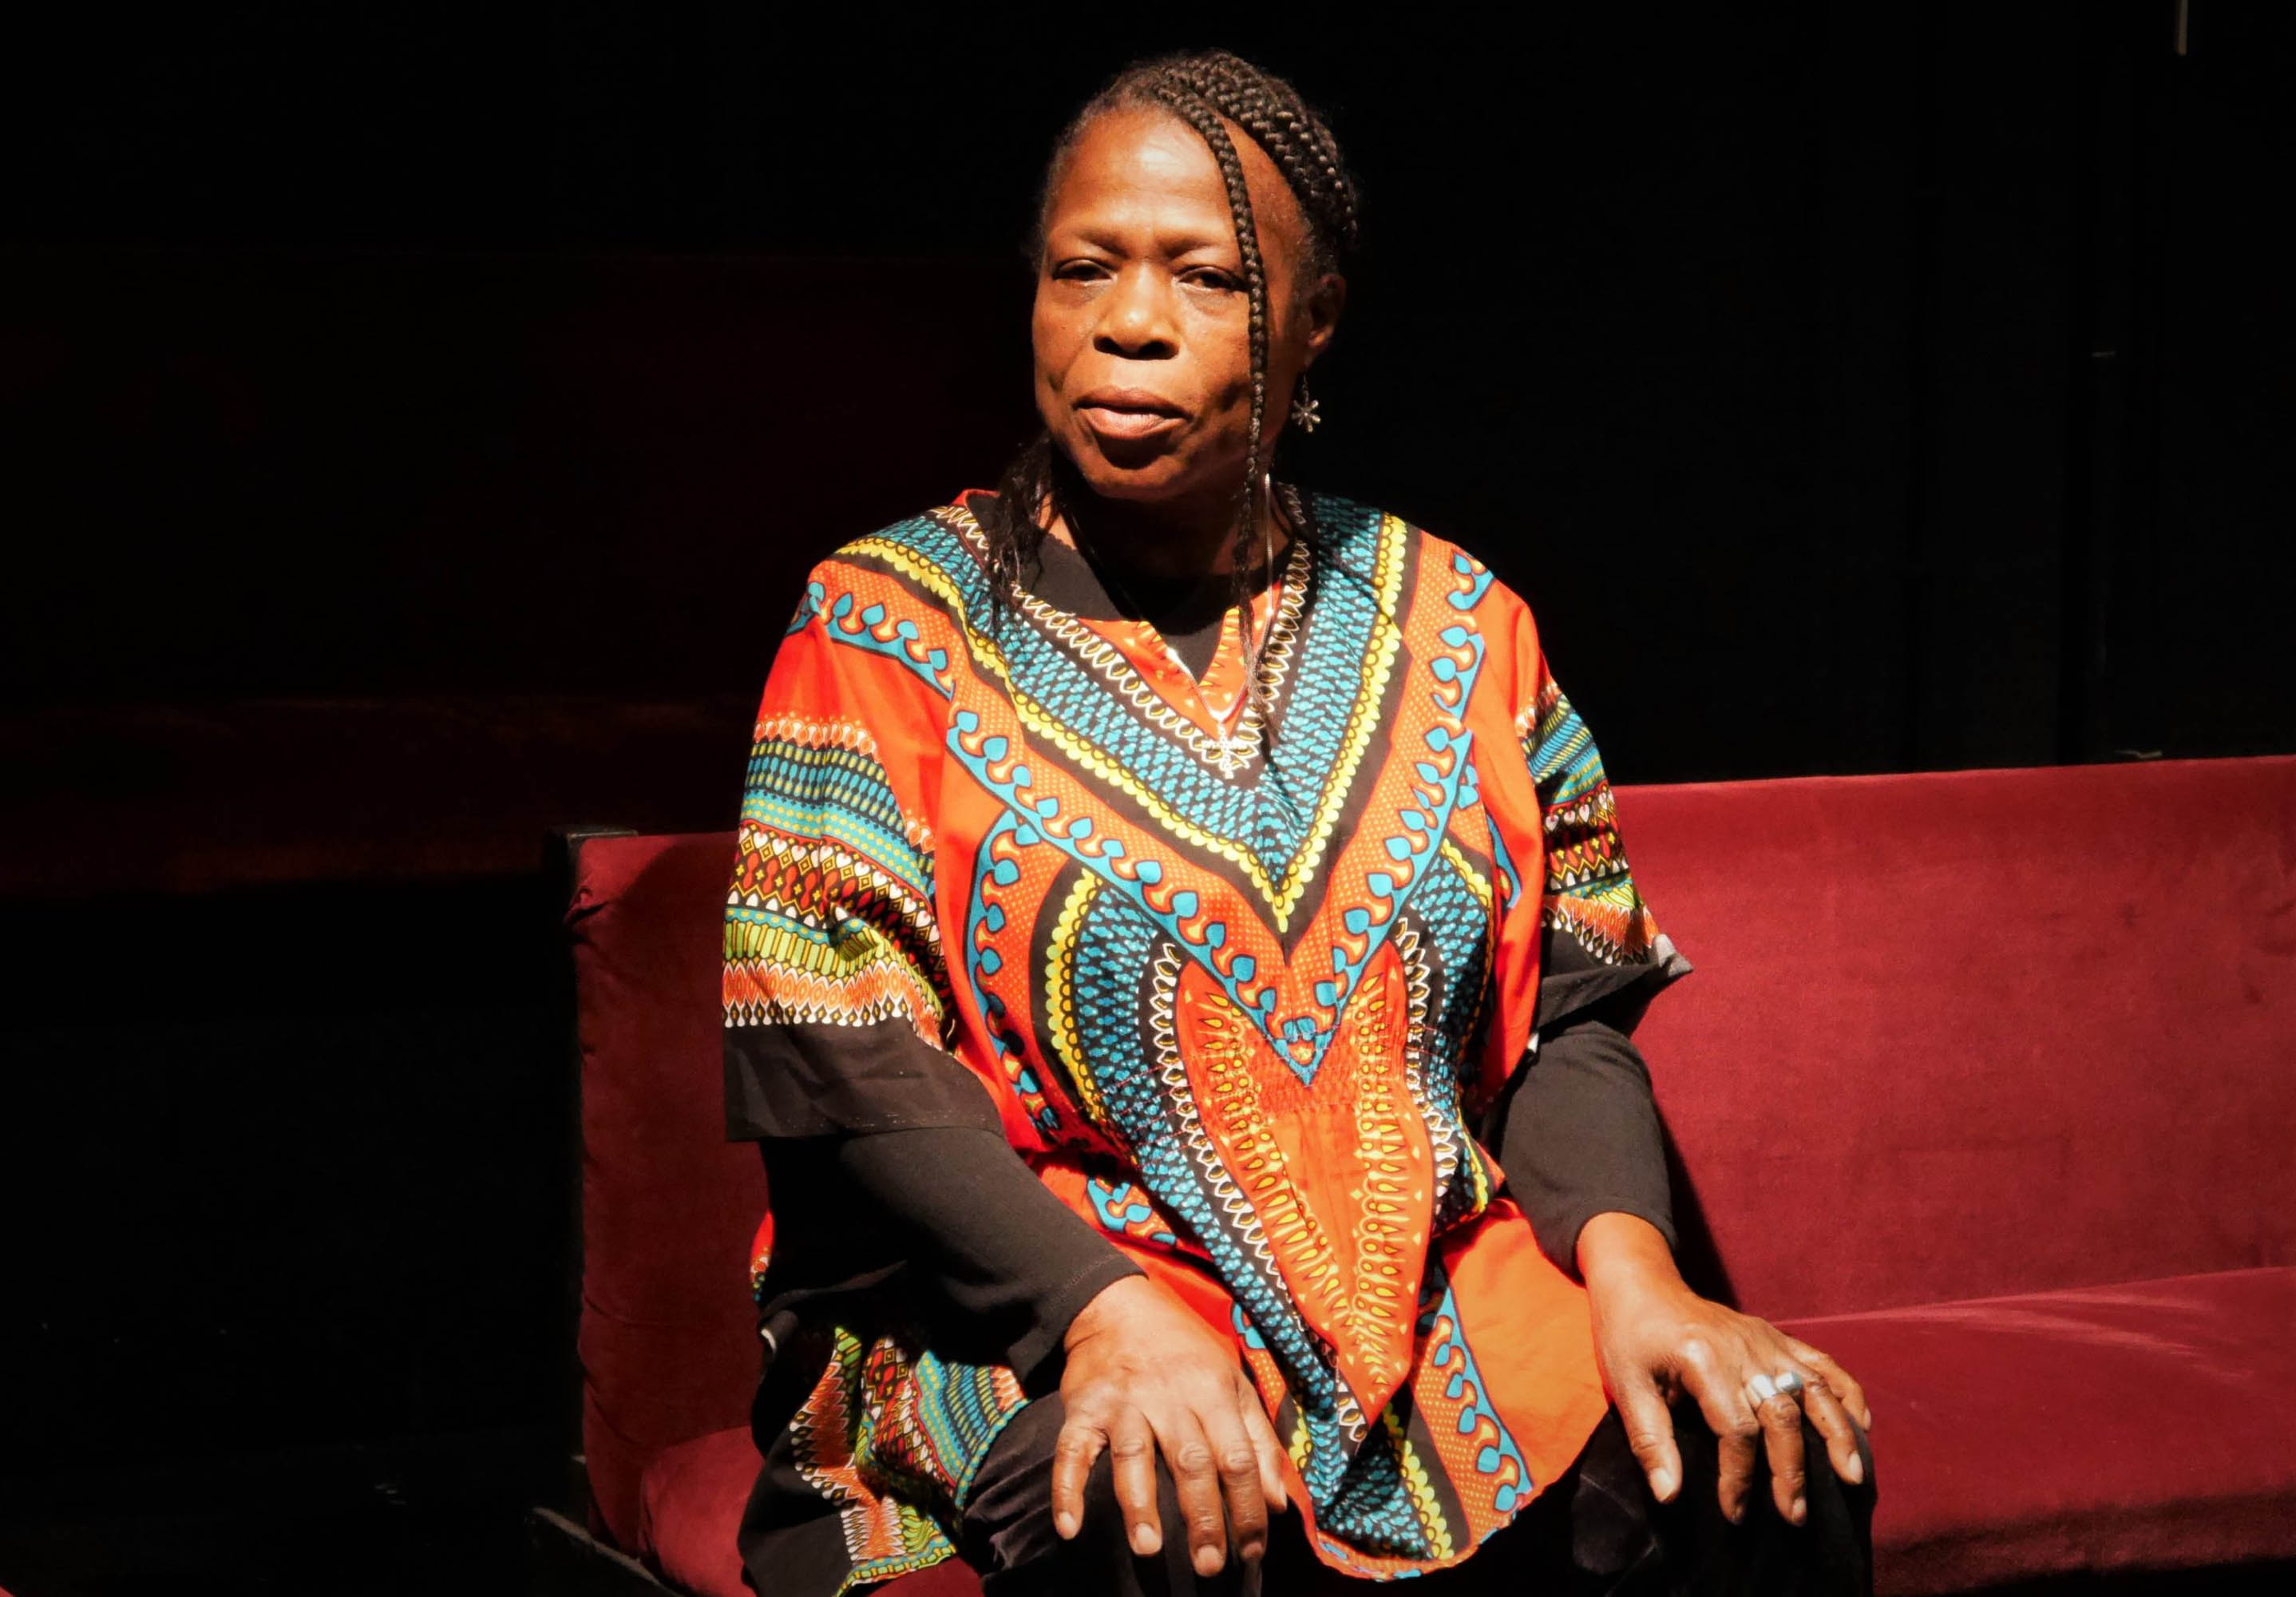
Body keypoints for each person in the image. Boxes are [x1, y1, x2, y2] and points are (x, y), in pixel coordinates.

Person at [722, 50, 1874, 1596]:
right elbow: (846, 1062)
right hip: (1024, 1308)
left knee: (1765, 1466)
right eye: (1083, 269)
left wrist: (1640, 1279)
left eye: (1206, 277)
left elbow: (1568, 1015)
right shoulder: (884, 626)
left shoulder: (1455, 620)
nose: (1131, 322)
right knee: (1161, 1509)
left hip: (1437, 1301)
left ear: (1314, 320)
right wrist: (1100, 1312)